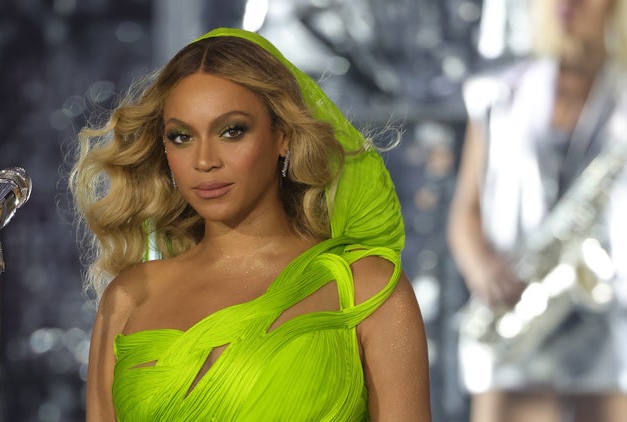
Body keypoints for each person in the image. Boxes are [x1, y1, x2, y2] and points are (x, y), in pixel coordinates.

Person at [68, 28, 431, 421]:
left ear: (283, 136)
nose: (205, 160)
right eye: (182, 136)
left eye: (232, 131)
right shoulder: (129, 298)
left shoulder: (366, 288)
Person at [447, 0, 627, 421]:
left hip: (609, 315)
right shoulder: (499, 92)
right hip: (515, 305)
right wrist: (480, 266)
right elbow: (465, 208)